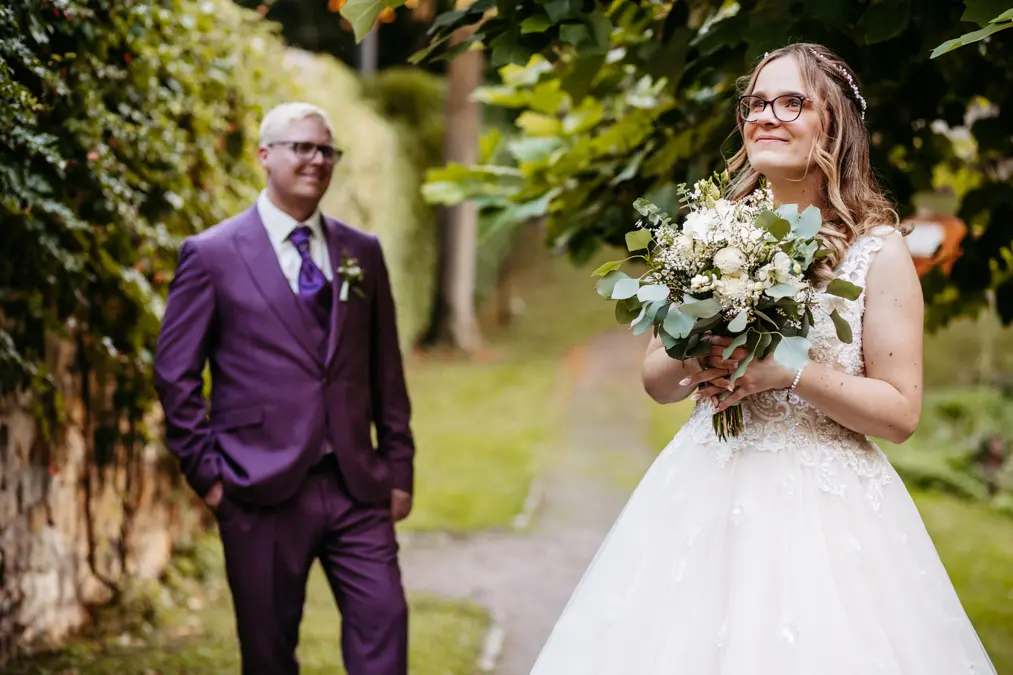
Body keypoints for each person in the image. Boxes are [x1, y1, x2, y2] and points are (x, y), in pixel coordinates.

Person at [528, 44, 997, 674]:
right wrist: (707, 343)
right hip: (705, 482)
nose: (765, 116)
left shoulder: (876, 252)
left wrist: (789, 373)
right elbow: (658, 381)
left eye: (791, 102)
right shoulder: (712, 232)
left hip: (826, 510)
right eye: (755, 102)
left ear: (834, 124)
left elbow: (901, 412)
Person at [153, 102, 415, 675]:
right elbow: (175, 372)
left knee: (386, 627)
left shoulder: (361, 252)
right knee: (269, 657)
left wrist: (399, 468)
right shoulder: (213, 255)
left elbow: (385, 370)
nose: (316, 160)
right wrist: (209, 476)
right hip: (258, 487)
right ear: (264, 156)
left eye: (326, 150)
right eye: (302, 147)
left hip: (356, 487)